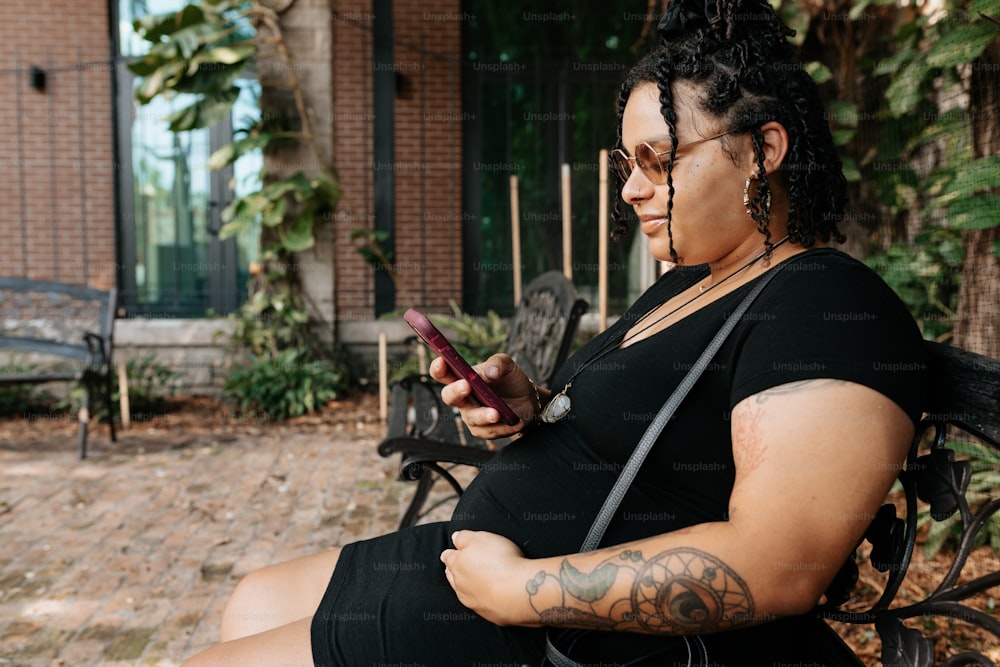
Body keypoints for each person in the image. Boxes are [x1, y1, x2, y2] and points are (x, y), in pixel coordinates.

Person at [182, 0, 927, 664]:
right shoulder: (691, 282)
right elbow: (656, 449)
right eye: (626, 163)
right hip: (491, 576)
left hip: (561, 628)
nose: (632, 187)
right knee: (251, 599)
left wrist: (524, 589)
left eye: (658, 160)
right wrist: (533, 408)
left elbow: (782, 563)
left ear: (764, 151)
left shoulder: (822, 305)